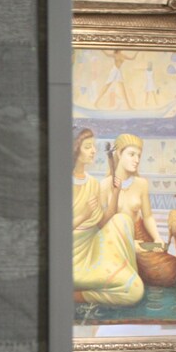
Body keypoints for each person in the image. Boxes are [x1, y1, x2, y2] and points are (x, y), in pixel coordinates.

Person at [72, 128, 143, 306]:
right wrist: (84, 215)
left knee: (123, 220)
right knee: (134, 291)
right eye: (87, 147)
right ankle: (77, 295)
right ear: (74, 150)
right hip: (72, 258)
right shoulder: (61, 183)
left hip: (92, 246)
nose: (93, 151)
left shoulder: (92, 183)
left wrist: (116, 193)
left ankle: (122, 275)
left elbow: (102, 222)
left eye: (93, 146)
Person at [101, 134, 176, 287]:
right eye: (132, 154)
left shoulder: (141, 183)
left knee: (169, 269)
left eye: (139, 155)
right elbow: (101, 225)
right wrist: (128, 243)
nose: (137, 160)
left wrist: (157, 238)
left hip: (141, 237)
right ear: (119, 154)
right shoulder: (104, 185)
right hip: (117, 241)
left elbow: (148, 216)